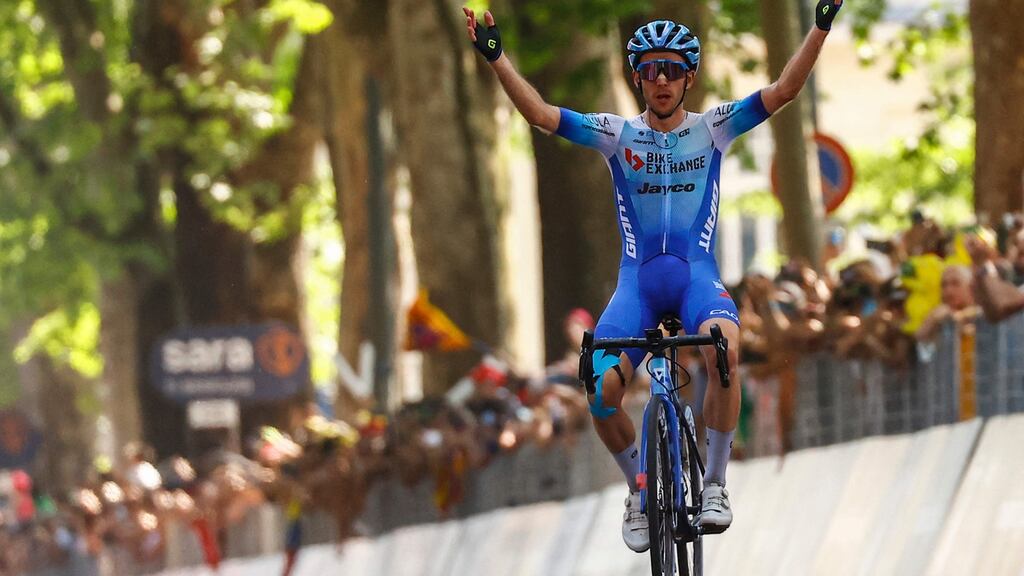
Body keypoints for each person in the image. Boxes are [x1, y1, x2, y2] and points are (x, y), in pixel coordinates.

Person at [463, 0, 844, 551]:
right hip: (636, 288)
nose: (661, 80)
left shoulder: (714, 128)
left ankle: (715, 485)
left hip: (695, 279)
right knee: (599, 390)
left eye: (671, 69)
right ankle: (639, 491)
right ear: (637, 78)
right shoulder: (617, 134)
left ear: (689, 77)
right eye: (649, 70)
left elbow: (784, 90)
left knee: (724, 350)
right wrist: (498, 59)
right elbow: (542, 116)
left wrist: (821, 26)